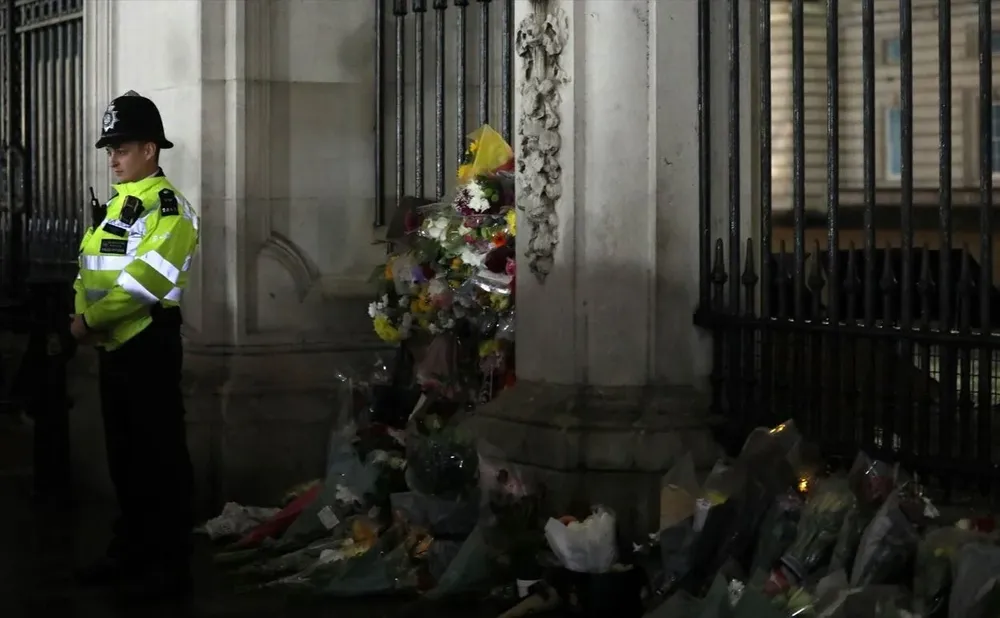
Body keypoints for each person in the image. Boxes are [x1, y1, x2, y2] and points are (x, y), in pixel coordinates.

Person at [70, 91, 200, 601]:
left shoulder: (169, 208)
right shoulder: (120, 204)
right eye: (110, 149)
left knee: (160, 457)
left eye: (121, 148)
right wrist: (85, 315)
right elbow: (89, 266)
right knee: (125, 457)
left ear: (150, 149)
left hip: (147, 342)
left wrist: (88, 321)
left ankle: (169, 563)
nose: (112, 157)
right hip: (114, 344)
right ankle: (131, 551)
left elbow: (144, 284)